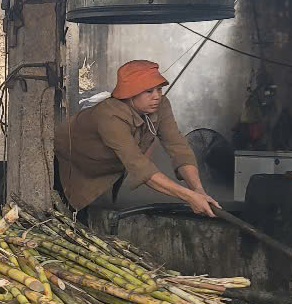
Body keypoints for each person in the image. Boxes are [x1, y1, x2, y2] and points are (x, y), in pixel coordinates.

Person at [55, 59, 220, 217]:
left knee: (96, 212)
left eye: (159, 89)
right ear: (130, 93)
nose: (156, 96)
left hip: (106, 167)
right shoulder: (109, 115)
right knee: (68, 214)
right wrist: (189, 197)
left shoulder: (160, 105)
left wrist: (198, 190)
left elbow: (178, 148)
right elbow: (140, 167)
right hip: (71, 164)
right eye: (149, 91)